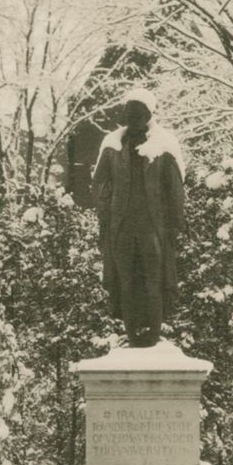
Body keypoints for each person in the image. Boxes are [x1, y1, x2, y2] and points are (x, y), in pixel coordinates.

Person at [92, 89, 186, 346]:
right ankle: (133, 333)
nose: (132, 118)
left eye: (138, 113)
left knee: (153, 279)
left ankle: (153, 334)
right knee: (126, 280)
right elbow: (99, 184)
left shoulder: (164, 145)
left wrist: (174, 224)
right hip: (120, 227)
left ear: (148, 115)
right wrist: (106, 210)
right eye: (129, 113)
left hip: (152, 228)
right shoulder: (112, 146)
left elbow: (175, 188)